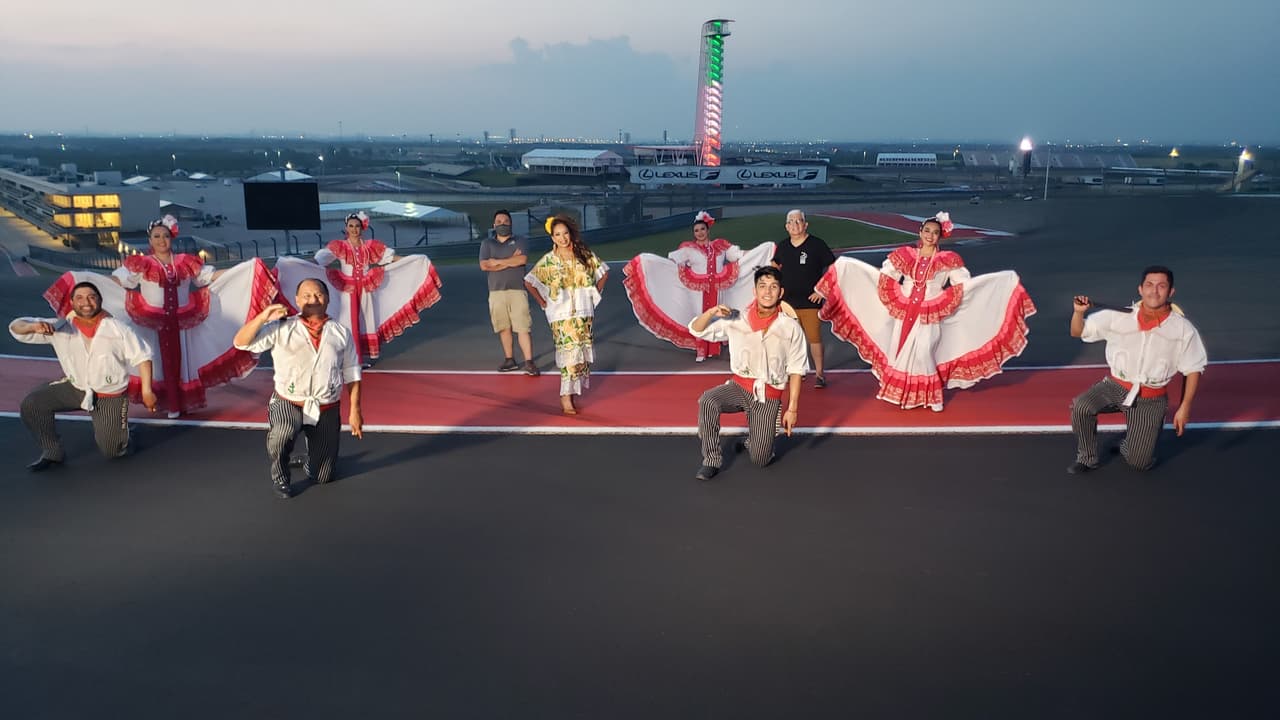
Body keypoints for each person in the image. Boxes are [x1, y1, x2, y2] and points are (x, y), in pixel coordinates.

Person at [43, 214, 277, 418]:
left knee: (184, 361)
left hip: (182, 320)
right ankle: (164, 401)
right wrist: (88, 281)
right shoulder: (141, 263)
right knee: (156, 363)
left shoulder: (185, 261)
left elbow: (208, 277)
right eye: (156, 236)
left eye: (165, 236)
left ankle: (180, 403)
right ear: (150, 240)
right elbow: (119, 280)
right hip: (152, 321)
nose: (161, 241)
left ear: (171, 238)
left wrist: (245, 269)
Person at [816, 212, 1036, 411]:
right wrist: (857, 273)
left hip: (931, 310)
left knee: (924, 351)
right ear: (920, 232)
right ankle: (904, 396)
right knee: (899, 351)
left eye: (935, 232)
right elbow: (887, 274)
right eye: (927, 231)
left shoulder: (948, 259)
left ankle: (934, 397)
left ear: (941, 236)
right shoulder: (905, 254)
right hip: (904, 309)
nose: (930, 236)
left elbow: (963, 284)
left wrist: (990, 286)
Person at [1067, 266, 1206, 474]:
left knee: (1139, 462)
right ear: (1140, 289)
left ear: (1171, 292)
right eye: (1149, 285)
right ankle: (1087, 458)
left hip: (1151, 398)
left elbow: (1193, 368)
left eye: (1162, 286)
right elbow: (1077, 331)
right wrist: (1078, 313)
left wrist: (1184, 408)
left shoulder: (1183, 329)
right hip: (1115, 385)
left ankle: (1128, 446)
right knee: (1081, 406)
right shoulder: (1117, 316)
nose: (1154, 291)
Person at [233, 279, 363, 499]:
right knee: (283, 432)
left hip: (326, 405)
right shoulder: (282, 327)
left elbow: (352, 371)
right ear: (296, 300)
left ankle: (310, 461)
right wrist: (263, 316)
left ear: (328, 299)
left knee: (324, 476)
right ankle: (280, 475)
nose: (313, 300)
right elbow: (241, 342)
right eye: (306, 295)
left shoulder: (340, 332)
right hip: (289, 401)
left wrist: (355, 410)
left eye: (319, 295)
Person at [10, 281, 157, 471]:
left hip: (108, 394)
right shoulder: (60, 327)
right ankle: (52, 452)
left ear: (99, 301)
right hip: (76, 387)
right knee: (32, 404)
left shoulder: (117, 328)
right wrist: (33, 327)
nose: (86, 302)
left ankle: (125, 434)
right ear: (71, 303)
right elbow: (16, 326)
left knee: (114, 451)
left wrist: (147, 391)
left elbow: (143, 356)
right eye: (79, 298)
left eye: (91, 297)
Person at [274, 210, 443, 367]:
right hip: (346, 290)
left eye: (357, 226)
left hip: (365, 290)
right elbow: (319, 261)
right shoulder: (339, 246)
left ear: (362, 228)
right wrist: (296, 264)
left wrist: (411, 261)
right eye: (351, 226)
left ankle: (357, 359)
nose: (354, 229)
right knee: (346, 322)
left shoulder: (370, 246)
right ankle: (344, 358)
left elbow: (389, 258)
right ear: (346, 228)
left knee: (364, 322)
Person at [689, 267, 808, 481]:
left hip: (768, 396)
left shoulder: (790, 327)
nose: (768, 292)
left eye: (773, 287)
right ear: (755, 291)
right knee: (708, 400)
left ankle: (752, 441)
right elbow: (696, 330)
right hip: (739, 387)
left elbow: (797, 369)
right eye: (762, 286)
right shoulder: (737, 318)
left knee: (761, 459)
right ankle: (711, 460)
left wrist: (792, 409)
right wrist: (710, 313)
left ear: (781, 292)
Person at [623, 210, 776, 362]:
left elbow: (739, 255)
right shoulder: (688, 248)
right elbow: (673, 263)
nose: (700, 233)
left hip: (718, 289)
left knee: (721, 315)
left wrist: (760, 251)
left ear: (708, 230)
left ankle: (717, 344)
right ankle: (701, 349)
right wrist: (652, 264)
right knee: (700, 317)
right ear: (693, 233)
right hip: (698, 292)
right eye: (696, 230)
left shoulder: (720, 245)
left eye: (702, 229)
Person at [524, 214, 608, 415]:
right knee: (568, 353)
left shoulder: (584, 254)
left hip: (583, 312)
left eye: (565, 233)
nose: (562, 238)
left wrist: (593, 294)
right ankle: (565, 396)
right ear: (552, 238)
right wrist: (543, 302)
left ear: (570, 233)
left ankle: (573, 391)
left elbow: (603, 271)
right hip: (560, 315)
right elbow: (529, 281)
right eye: (557, 235)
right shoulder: (548, 261)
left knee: (580, 354)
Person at [771, 209, 835, 387]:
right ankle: (798, 370)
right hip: (788, 303)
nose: (795, 225)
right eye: (791, 222)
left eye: (799, 221)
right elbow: (774, 265)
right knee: (791, 340)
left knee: (814, 338)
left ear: (805, 224)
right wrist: (776, 288)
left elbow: (832, 268)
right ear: (786, 226)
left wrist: (822, 290)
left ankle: (820, 374)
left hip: (810, 302)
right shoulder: (783, 246)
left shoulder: (817, 245)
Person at [479, 209, 539, 375]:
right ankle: (509, 359)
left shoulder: (520, 241)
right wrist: (509, 262)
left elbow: (522, 260)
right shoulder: (487, 244)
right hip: (496, 291)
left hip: (517, 290)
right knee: (503, 327)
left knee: (523, 327)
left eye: (505, 221)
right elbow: (484, 265)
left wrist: (496, 262)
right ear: (494, 224)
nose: (502, 224)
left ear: (511, 223)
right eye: (499, 221)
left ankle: (529, 361)